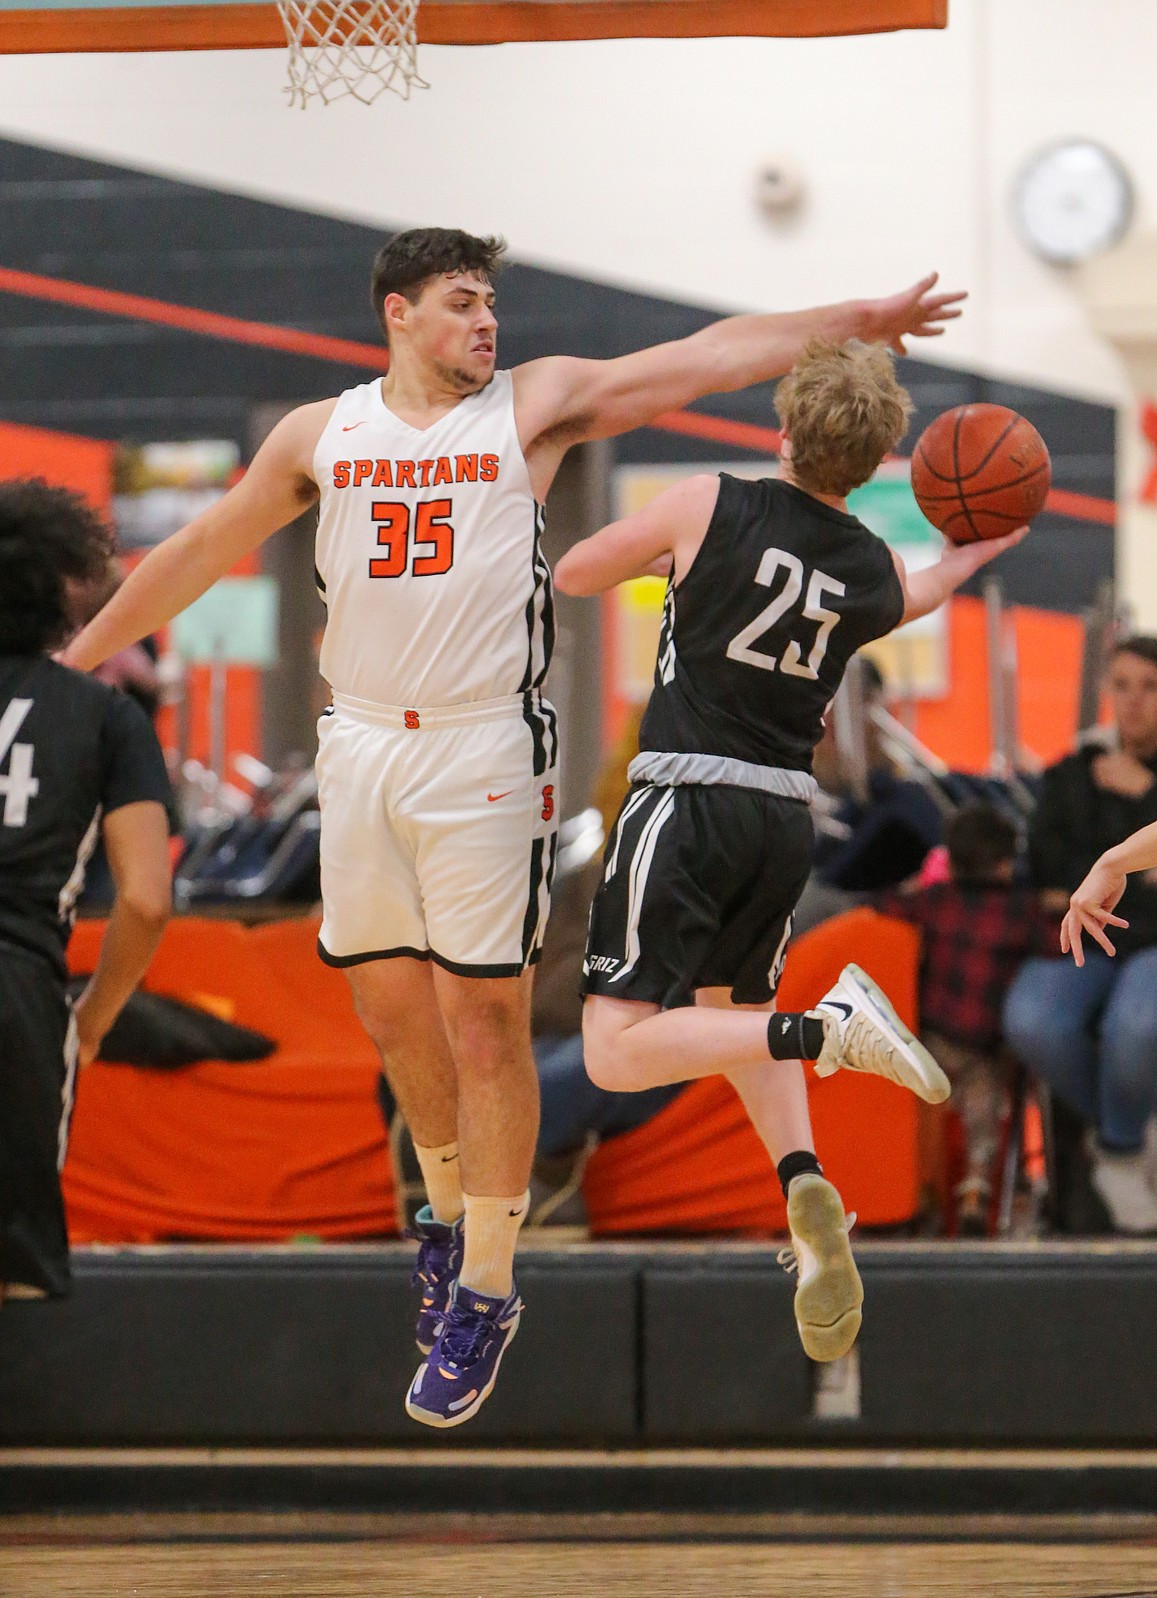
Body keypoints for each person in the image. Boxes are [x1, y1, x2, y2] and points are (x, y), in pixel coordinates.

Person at [63, 226, 967, 1427]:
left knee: (483, 1013)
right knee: (388, 1007)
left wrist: (856, 315)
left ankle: (488, 1283)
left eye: (491, 302)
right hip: (361, 739)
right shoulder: (318, 436)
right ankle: (446, 1219)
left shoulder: (529, 410)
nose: (486, 323)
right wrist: (79, 663)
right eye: (460, 303)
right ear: (398, 314)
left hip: (487, 743)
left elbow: (703, 358)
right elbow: (195, 547)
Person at [555, 339, 1027, 1362]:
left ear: (783, 427)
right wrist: (978, 549)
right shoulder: (865, 564)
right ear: (871, 464)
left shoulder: (709, 500)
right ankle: (807, 1191)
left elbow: (578, 570)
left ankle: (830, 1032)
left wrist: (663, 564)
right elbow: (923, 588)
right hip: (780, 822)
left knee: (615, 1048)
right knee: (736, 1018)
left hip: (685, 797)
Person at [0, 478, 172, 1303]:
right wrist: (93, 1018)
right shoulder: (106, 716)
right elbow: (145, 898)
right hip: (21, 993)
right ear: (70, 589)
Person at [1004, 636, 1157, 1234]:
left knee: (1139, 1022)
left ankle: (1120, 1150)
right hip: (1088, 934)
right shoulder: (1072, 774)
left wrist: (1143, 795)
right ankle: (1127, 1134)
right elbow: (1049, 872)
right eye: (1121, 684)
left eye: (1151, 686)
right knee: (1032, 1017)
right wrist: (1143, 872)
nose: (1134, 701)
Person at [880, 803, 1057, 1235]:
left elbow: (882, 907)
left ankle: (922, 1197)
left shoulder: (934, 902)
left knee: (926, 1119)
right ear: (1004, 863)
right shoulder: (1021, 911)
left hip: (929, 1041)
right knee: (984, 1114)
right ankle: (975, 1192)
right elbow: (1057, 945)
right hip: (984, 1049)